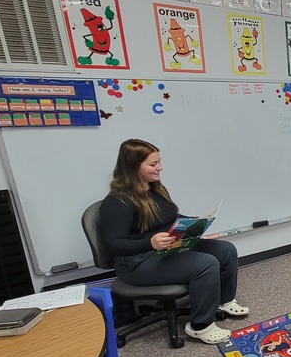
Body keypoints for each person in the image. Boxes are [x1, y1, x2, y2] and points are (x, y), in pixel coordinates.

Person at [99, 139, 249, 345]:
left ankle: (224, 301)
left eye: (159, 161)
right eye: (153, 164)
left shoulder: (155, 189)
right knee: (205, 264)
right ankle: (200, 326)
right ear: (133, 167)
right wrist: (150, 243)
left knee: (225, 250)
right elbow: (113, 244)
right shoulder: (117, 202)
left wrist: (195, 221)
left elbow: (169, 218)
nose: (160, 167)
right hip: (137, 262)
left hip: (166, 248)